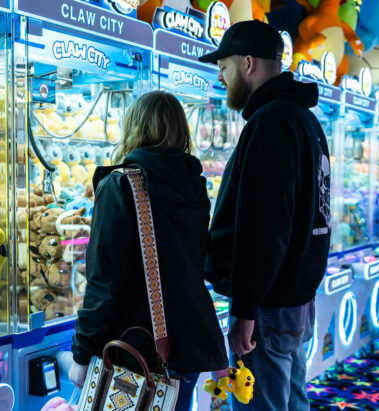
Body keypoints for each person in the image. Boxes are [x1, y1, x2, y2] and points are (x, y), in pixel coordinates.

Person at [198, 20, 331, 410]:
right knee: (290, 399)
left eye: (224, 66)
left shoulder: (271, 122)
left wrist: (243, 310)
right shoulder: (304, 120)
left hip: (268, 304)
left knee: (263, 404)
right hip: (293, 297)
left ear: (248, 63)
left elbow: (265, 227)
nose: (220, 77)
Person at [68, 91, 227, 410]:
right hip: (187, 344)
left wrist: (82, 353)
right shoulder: (195, 186)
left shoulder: (121, 185)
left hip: (137, 350)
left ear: (134, 127)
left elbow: (104, 283)